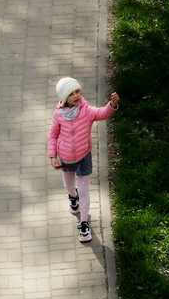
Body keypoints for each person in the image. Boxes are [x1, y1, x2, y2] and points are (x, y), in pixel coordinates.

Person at [47, 76, 119, 242]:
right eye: (71, 93)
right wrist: (52, 156)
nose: (76, 95)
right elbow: (53, 135)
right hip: (65, 158)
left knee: (84, 189)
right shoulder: (58, 114)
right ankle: (73, 197)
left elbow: (102, 113)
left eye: (77, 91)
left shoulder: (86, 111)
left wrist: (112, 105)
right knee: (69, 185)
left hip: (84, 156)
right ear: (64, 97)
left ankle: (84, 223)